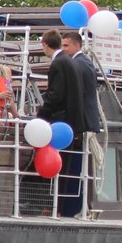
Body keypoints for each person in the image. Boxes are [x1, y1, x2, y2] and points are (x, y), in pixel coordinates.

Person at [37, 29, 89, 217]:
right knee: (65, 166)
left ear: (45, 44)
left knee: (59, 164)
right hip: (72, 122)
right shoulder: (70, 61)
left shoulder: (58, 63)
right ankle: (60, 207)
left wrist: (41, 114)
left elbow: (56, 95)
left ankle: (53, 207)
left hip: (60, 121)